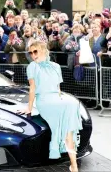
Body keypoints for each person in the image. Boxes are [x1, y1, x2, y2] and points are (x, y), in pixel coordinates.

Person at [18, 40, 82, 172]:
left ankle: (74, 166)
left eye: (35, 51)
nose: (32, 55)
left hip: (51, 101)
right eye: (30, 53)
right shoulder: (34, 66)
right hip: (49, 101)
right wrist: (29, 107)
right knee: (69, 130)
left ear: (42, 49)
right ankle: (74, 166)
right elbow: (35, 89)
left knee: (68, 129)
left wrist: (29, 108)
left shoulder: (53, 66)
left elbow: (53, 89)